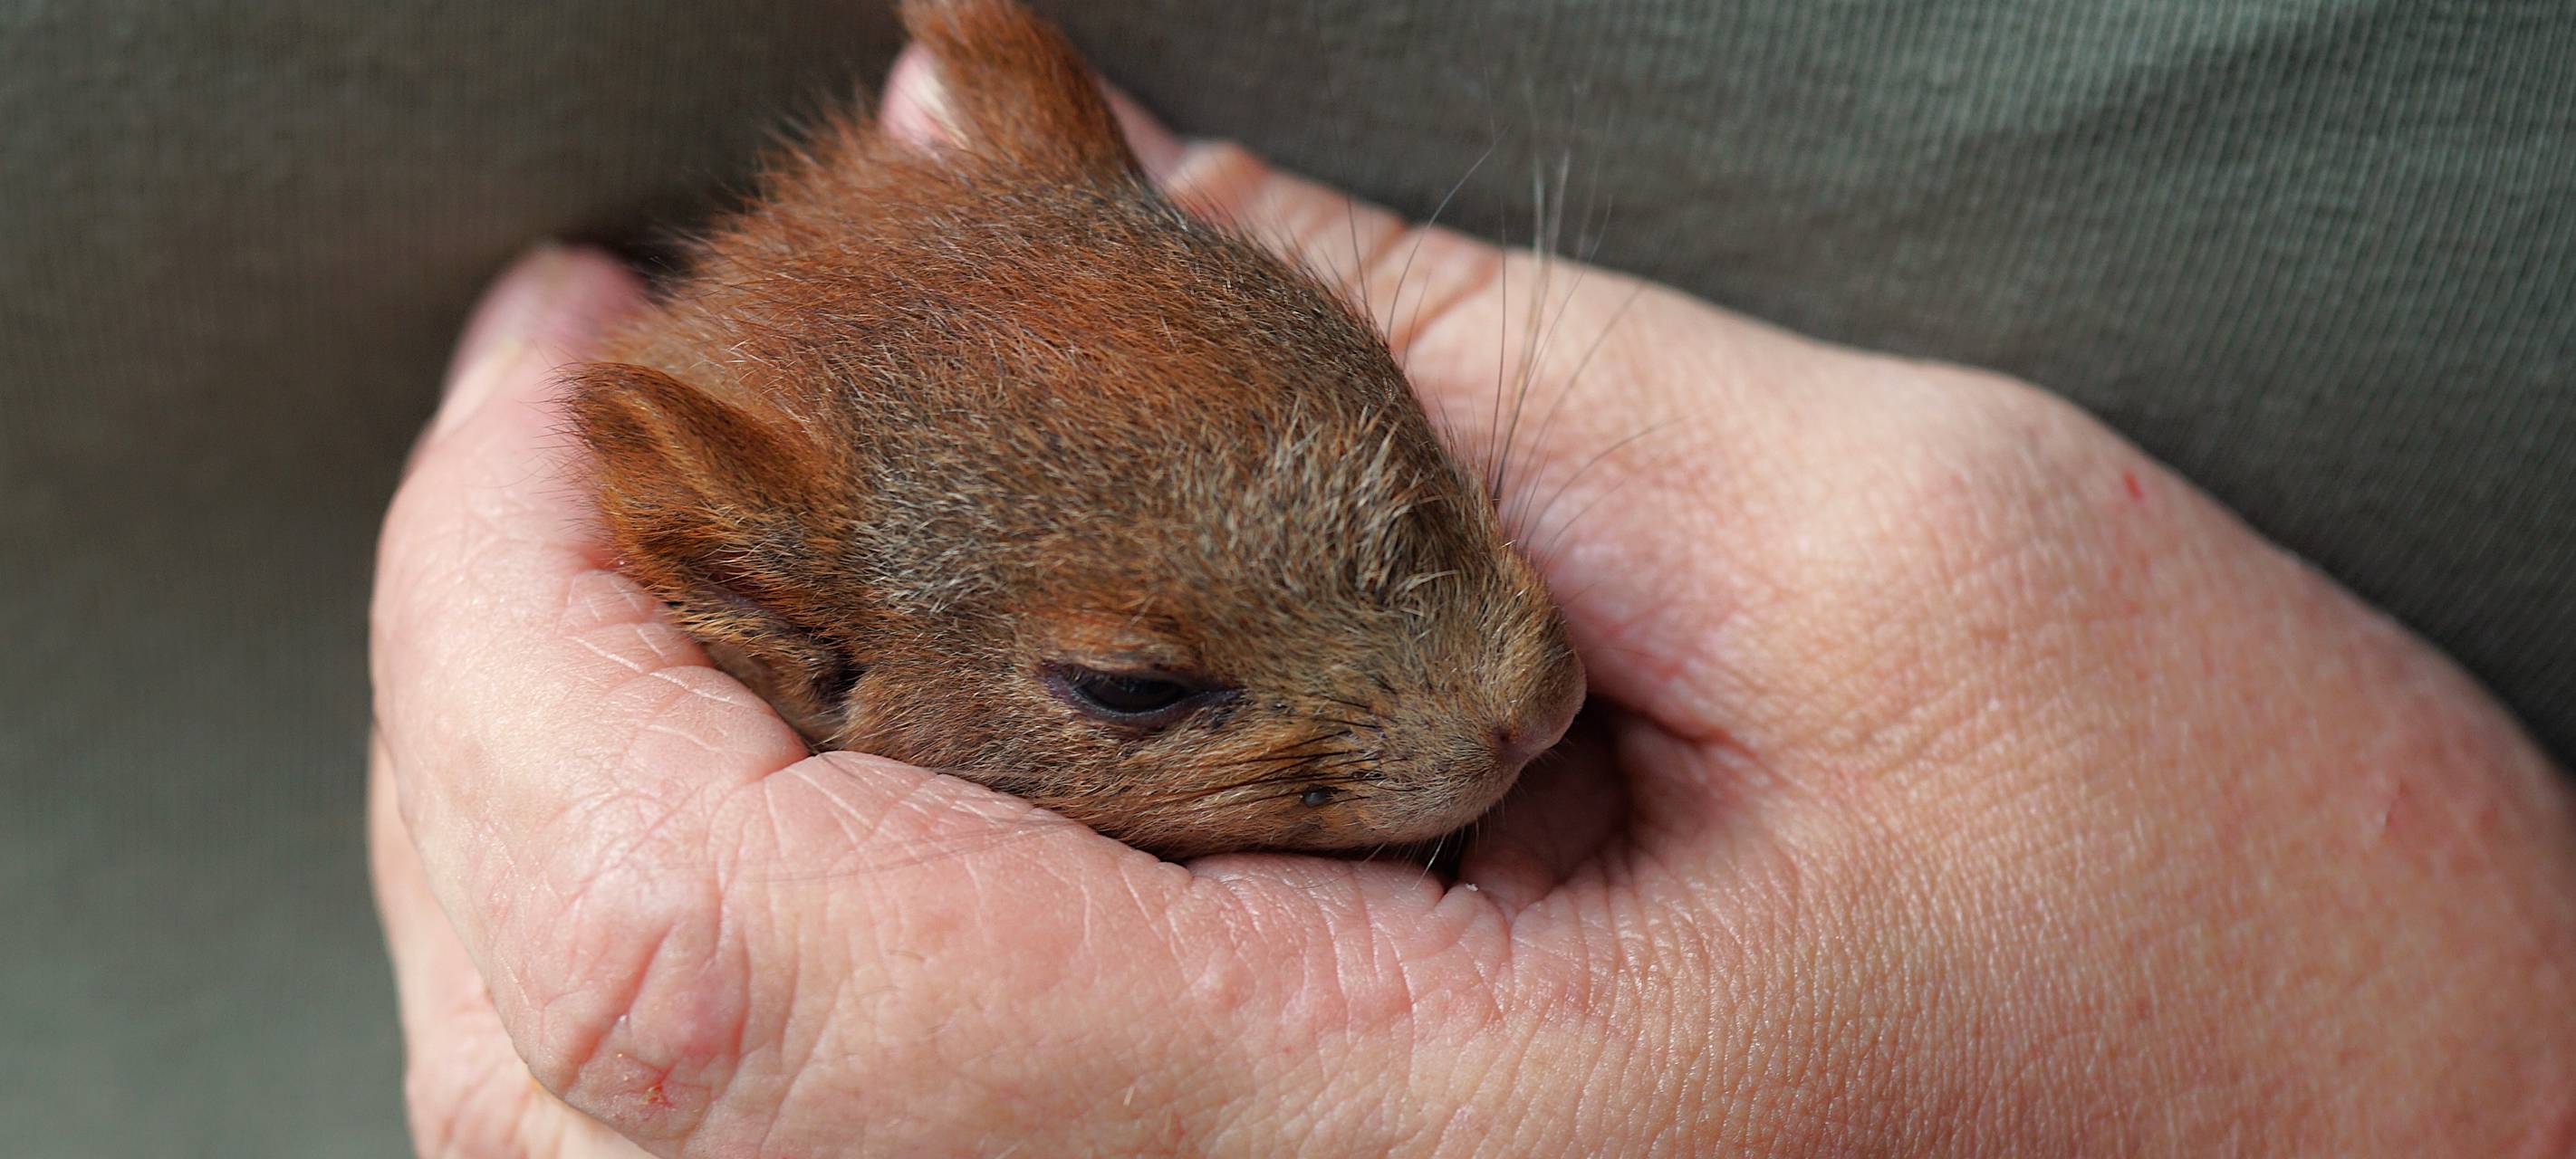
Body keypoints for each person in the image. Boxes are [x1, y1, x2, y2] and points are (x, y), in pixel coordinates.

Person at [369, 47, 2576, 1154]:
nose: (1508, 684)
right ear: (784, 614)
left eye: (1417, 453)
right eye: (1145, 683)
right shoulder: (788, 564)